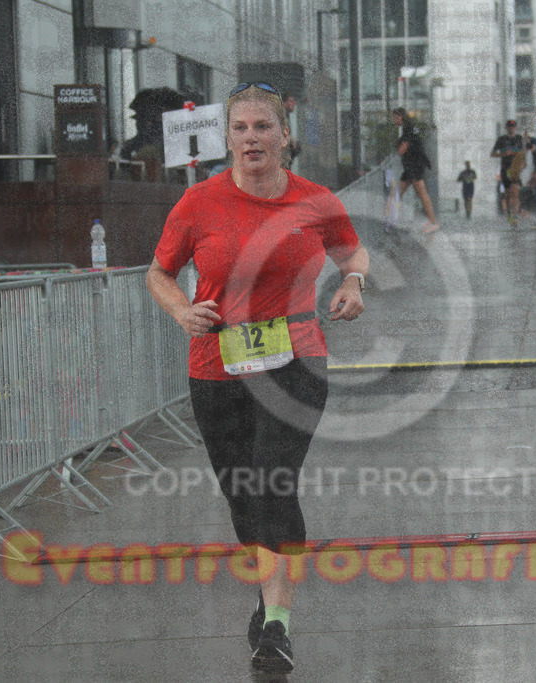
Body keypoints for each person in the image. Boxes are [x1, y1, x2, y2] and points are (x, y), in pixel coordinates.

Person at [146, 82, 368, 675]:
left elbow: (352, 252)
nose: (252, 138)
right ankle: (268, 591)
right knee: (242, 492)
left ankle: (277, 624)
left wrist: (353, 282)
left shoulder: (315, 200)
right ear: (227, 139)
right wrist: (181, 310)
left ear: (284, 136)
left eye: (263, 127)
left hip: (296, 358)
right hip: (217, 365)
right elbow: (159, 272)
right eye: (240, 128)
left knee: (272, 479)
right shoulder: (197, 203)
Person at [391, 107, 439, 235]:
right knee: (399, 192)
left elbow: (402, 150)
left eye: (395, 117)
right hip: (410, 166)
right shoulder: (410, 129)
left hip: (414, 166)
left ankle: (433, 223)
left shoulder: (408, 129)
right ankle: (391, 220)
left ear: (401, 117)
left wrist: (397, 145)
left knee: (421, 193)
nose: (394, 120)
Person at [491, 119, 525, 227]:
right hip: (505, 169)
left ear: (516, 127)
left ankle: (514, 216)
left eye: (513, 126)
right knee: (509, 193)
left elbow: (523, 153)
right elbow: (493, 153)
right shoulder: (501, 139)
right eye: (509, 126)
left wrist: (522, 163)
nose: (511, 128)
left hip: (515, 169)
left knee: (515, 191)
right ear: (506, 128)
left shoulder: (519, 138)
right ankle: (510, 213)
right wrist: (504, 154)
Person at [281, 91, 301, 170]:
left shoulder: (287, 116)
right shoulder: (280, 116)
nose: (294, 104)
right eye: (291, 101)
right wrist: (290, 140)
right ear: (284, 103)